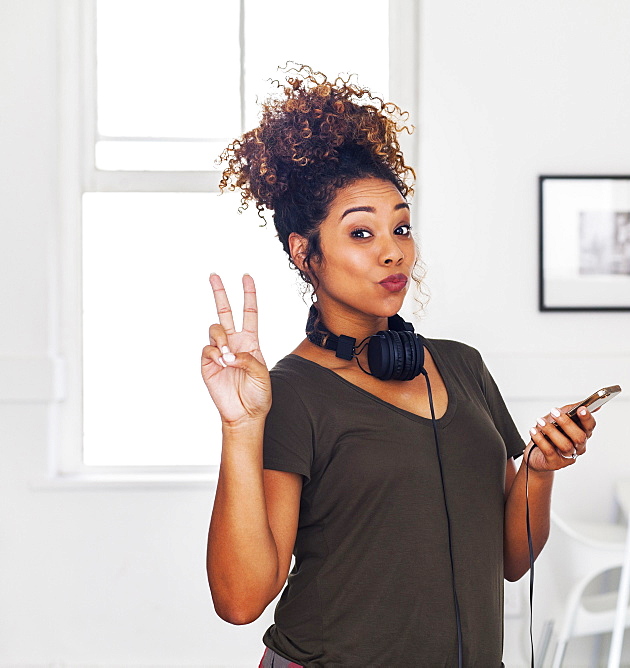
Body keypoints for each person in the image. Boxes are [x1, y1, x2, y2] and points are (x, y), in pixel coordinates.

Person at [201, 65, 598, 667]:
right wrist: (240, 425)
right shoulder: (287, 395)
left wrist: (538, 470)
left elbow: (512, 560)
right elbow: (240, 600)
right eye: (361, 232)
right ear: (305, 252)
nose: (393, 250)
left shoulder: (462, 367)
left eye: (401, 228)